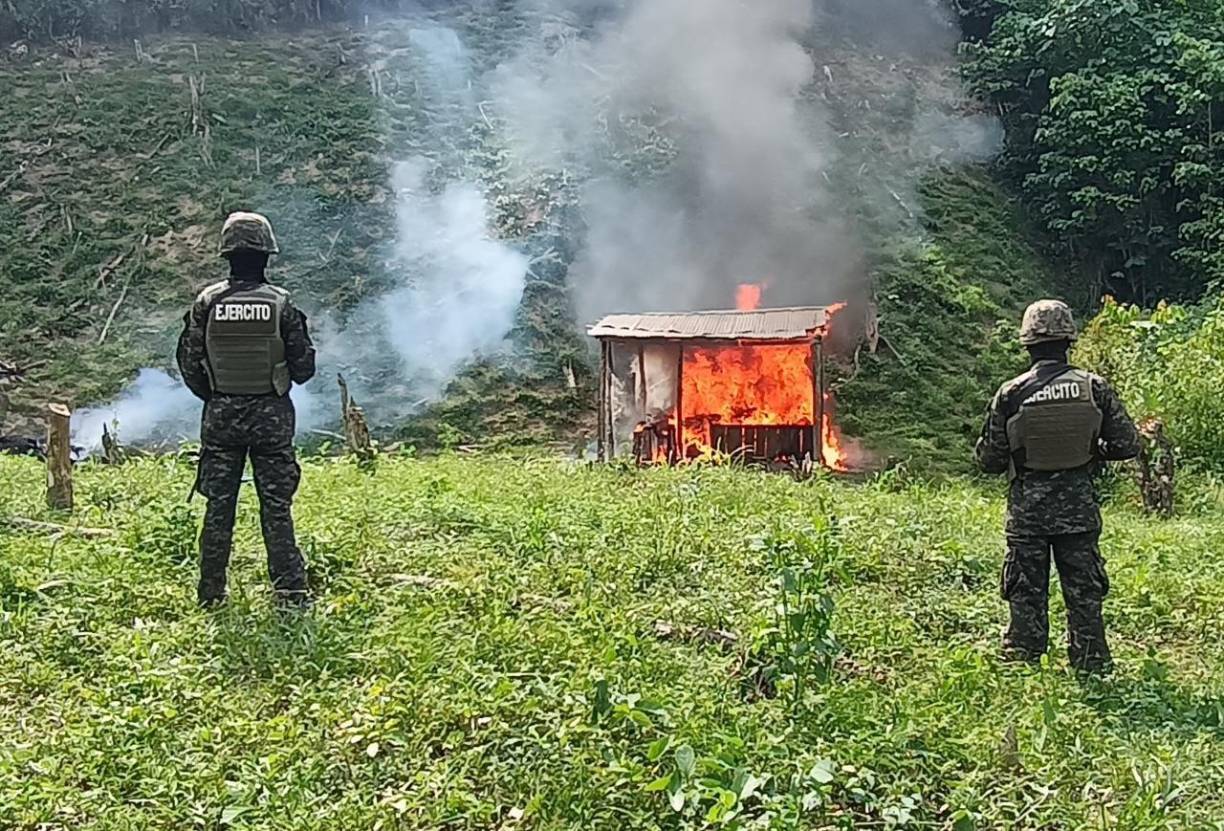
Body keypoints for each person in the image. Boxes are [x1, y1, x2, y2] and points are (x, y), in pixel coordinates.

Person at [975, 300, 1140, 673]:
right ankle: (1090, 661)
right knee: (1084, 594)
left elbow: (989, 460)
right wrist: (1092, 451)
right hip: (1078, 511)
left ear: (1028, 344)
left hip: (1027, 514)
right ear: (1069, 341)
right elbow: (1128, 444)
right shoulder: (1094, 387)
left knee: (1025, 591)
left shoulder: (1011, 394)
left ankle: (1022, 658)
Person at [176, 212, 316, 609]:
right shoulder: (281, 305)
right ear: (266, 254)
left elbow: (189, 362)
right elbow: (304, 368)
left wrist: (219, 396)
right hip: (271, 421)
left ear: (227, 254)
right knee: (276, 508)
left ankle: (210, 595)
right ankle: (290, 594)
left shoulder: (207, 302)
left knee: (219, 507)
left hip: (221, 418)